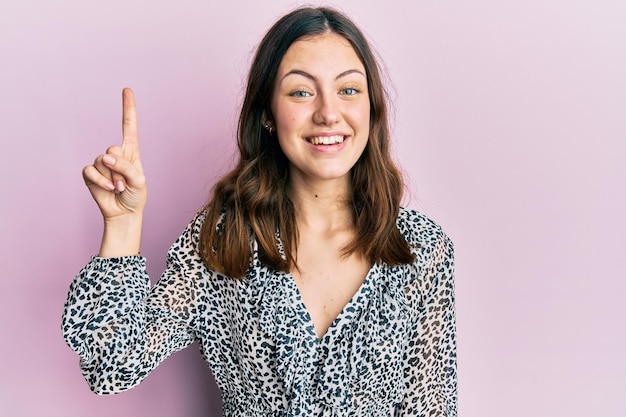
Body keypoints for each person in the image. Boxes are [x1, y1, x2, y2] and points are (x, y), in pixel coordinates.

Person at [62, 6, 457, 417]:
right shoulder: (223, 240)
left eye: (349, 90)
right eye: (301, 91)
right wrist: (123, 225)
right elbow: (110, 366)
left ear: (371, 109)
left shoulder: (422, 250)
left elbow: (432, 409)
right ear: (267, 114)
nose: (328, 113)